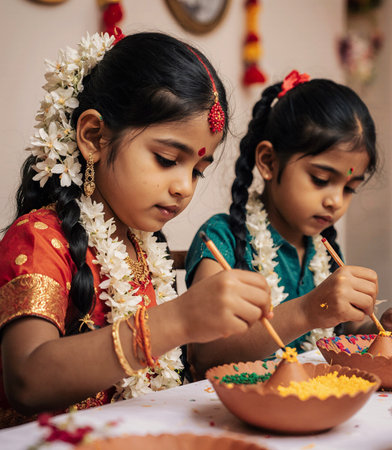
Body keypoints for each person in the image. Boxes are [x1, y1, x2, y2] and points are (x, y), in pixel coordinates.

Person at [0, 30, 273, 428]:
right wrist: (178, 320)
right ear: (93, 136)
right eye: (166, 159)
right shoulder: (41, 238)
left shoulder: (143, 246)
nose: (184, 187)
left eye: (198, 171)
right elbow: (27, 379)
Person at [185, 70, 392, 379]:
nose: (336, 201)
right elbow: (204, 356)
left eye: (350, 187)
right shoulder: (222, 238)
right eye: (321, 179)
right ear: (269, 162)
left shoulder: (323, 249)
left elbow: (344, 332)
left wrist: (382, 330)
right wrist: (307, 311)